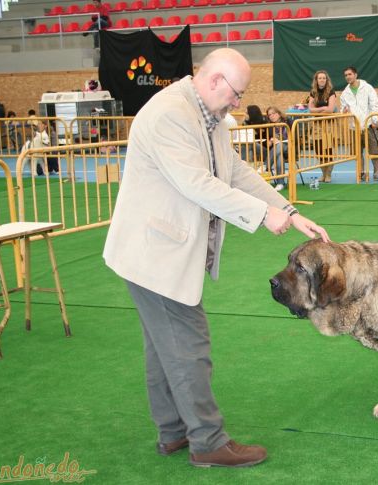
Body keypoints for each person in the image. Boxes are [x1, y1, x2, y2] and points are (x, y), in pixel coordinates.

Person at [102, 48, 330, 468]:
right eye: (237, 94)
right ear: (214, 81)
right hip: (153, 255)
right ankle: (207, 441)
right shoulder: (170, 113)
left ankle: (173, 433)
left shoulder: (209, 116)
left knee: (164, 348)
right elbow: (198, 184)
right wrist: (264, 215)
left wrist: (291, 212)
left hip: (159, 252)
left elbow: (236, 171)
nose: (238, 103)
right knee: (189, 345)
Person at [340, 66, 378, 181]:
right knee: (358, 153)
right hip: (354, 127)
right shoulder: (344, 93)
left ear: (355, 75)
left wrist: (375, 120)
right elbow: (342, 110)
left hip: (368, 125)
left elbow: (374, 105)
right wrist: (343, 112)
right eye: (346, 75)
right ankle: (361, 172)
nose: (348, 77)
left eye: (350, 74)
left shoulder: (367, 88)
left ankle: (377, 172)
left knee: (374, 150)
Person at [308, 70, 337, 183]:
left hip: (328, 125)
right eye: (320, 78)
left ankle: (328, 174)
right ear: (316, 80)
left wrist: (317, 110)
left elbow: (330, 109)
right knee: (318, 150)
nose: (322, 80)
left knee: (328, 150)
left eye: (324, 78)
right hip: (316, 126)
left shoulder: (331, 92)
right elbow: (310, 109)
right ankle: (323, 174)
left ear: (327, 80)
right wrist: (321, 109)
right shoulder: (313, 92)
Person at [265, 106, 291, 191]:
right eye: (269, 115)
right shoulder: (269, 126)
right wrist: (269, 141)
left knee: (279, 145)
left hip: (290, 148)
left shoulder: (288, 122)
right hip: (276, 151)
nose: (272, 116)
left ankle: (265, 166)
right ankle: (280, 183)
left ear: (279, 114)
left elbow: (294, 138)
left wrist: (279, 140)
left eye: (273, 113)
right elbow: (267, 142)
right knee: (280, 157)